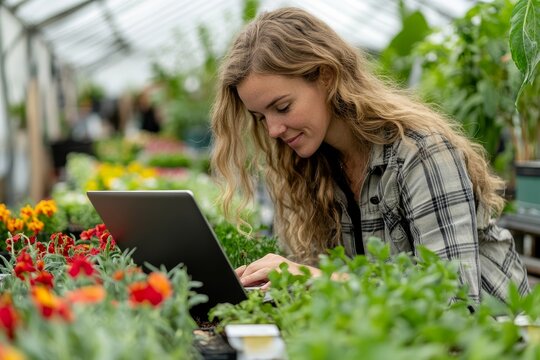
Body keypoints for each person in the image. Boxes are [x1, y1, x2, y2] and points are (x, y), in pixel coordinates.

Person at [210, 7, 530, 303]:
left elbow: (456, 299)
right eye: (261, 117)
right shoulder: (312, 166)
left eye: (282, 107)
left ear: (326, 76)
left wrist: (317, 278)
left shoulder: (421, 155)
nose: (273, 130)